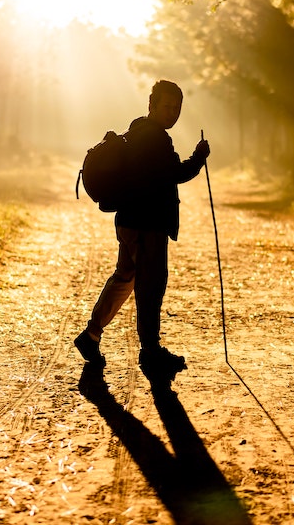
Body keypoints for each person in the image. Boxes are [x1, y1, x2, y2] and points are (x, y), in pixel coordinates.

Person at [74, 80, 210, 376]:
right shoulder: (155, 139)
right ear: (152, 106)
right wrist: (199, 157)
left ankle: (91, 335)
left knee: (125, 277)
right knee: (150, 286)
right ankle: (150, 351)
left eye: (177, 108)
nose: (172, 113)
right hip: (148, 224)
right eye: (166, 107)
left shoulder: (137, 132)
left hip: (129, 221)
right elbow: (176, 173)